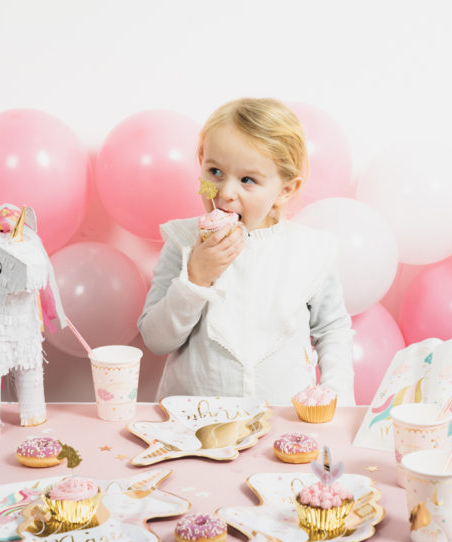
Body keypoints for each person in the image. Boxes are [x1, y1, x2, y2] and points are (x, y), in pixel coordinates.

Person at [138, 98, 355, 405]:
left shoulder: (309, 251)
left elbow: (332, 328)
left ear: (285, 190)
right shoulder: (183, 241)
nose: (226, 193)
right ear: (200, 163)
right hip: (192, 422)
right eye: (214, 172)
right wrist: (196, 279)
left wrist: (337, 392)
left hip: (282, 420)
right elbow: (156, 340)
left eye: (247, 180)